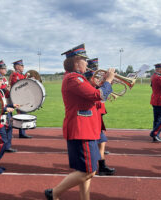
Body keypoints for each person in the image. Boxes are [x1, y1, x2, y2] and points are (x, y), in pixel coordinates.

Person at [44, 44, 115, 200]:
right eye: (84, 60)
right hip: (81, 130)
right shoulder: (73, 79)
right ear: (76, 61)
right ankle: (54, 193)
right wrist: (108, 81)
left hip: (86, 129)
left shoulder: (78, 78)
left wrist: (105, 84)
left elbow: (93, 98)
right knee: (89, 171)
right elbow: (99, 95)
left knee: (85, 171)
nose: (87, 63)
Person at [85, 58, 115, 176]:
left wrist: (107, 84)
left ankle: (101, 166)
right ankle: (94, 167)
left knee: (102, 141)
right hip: (93, 116)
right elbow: (97, 95)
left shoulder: (93, 81)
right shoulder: (89, 81)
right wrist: (106, 83)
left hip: (97, 114)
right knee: (98, 141)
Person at [0, 60, 17, 153]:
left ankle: (4, 144)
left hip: (6, 102)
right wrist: (6, 89)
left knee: (8, 125)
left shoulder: (4, 78)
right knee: (6, 125)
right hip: (2, 104)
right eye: (4, 68)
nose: (5, 70)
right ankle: (5, 145)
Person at [9, 59, 32, 139]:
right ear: (17, 67)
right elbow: (18, 85)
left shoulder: (20, 75)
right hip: (16, 97)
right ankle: (13, 133)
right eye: (22, 66)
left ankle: (21, 132)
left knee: (22, 114)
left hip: (20, 97)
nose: (23, 67)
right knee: (18, 114)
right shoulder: (15, 75)